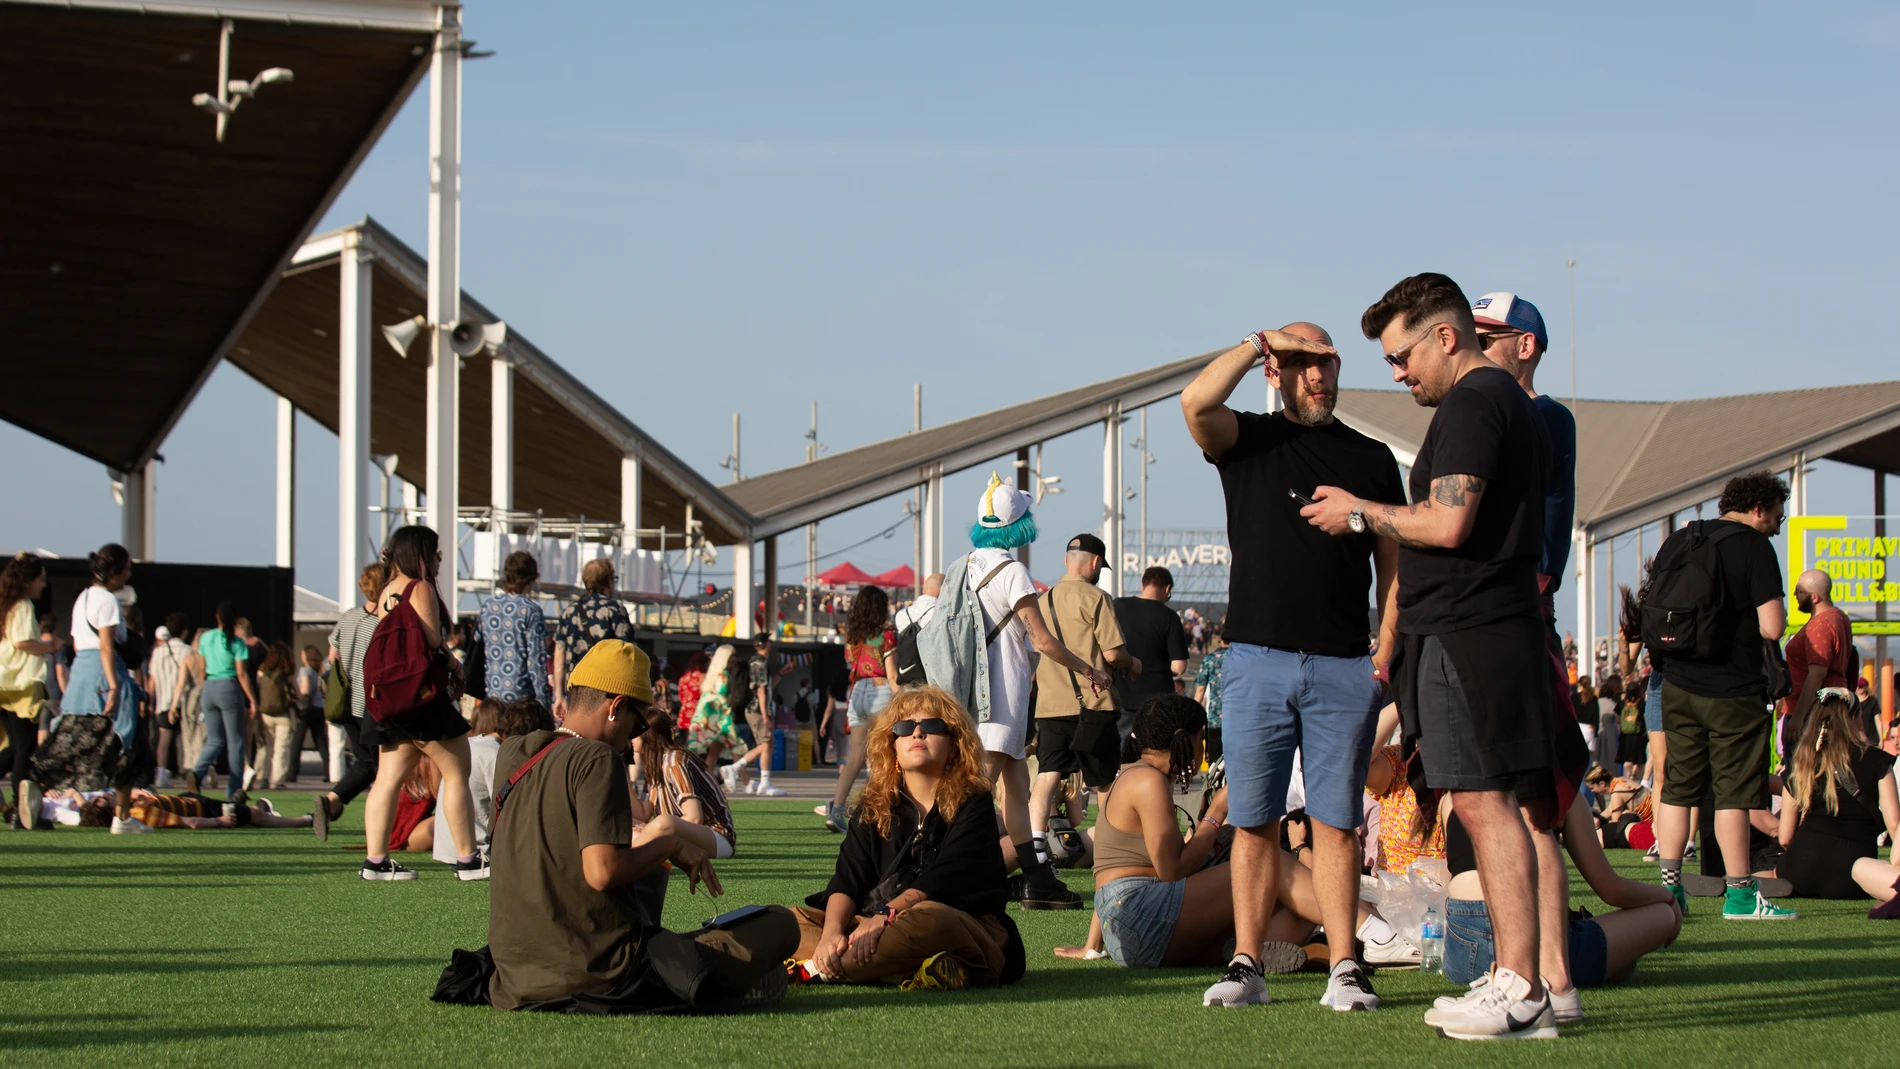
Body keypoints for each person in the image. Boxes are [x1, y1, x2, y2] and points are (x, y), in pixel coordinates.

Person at [1304, 273, 1560, 1038]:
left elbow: (1448, 522)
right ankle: (1518, 980)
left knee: (1486, 803)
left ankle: (1520, 984)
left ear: (1446, 336)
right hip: (1481, 625)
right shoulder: (1497, 402)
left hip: (1472, 627)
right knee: (1486, 804)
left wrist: (1359, 513)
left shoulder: (1477, 401)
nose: (1396, 372)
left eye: (1401, 353)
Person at [1181, 320, 1403, 1012]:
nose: (1320, 376)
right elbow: (1194, 403)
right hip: (1253, 661)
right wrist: (1256, 343)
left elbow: (1393, 555)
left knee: (1338, 822)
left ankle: (1345, 965)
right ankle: (1248, 964)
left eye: (1329, 364)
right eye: (1305, 363)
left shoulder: (1370, 458)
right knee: (1253, 820)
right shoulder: (1247, 440)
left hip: (1343, 664)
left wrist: (1388, 640)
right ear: (1278, 370)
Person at [474, 638, 797, 1013]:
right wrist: (670, 845)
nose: (633, 738)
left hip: (512, 975)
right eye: (636, 724)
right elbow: (602, 872)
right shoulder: (597, 758)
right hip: (599, 973)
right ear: (616, 707)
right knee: (780, 923)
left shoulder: (514, 751)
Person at [1068, 694, 1406, 978]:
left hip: (1125, 926)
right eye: (1203, 738)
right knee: (1269, 862)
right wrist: (1216, 812)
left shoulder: (1126, 777)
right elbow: (1171, 869)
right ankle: (1377, 935)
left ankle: (1251, 952)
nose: (1204, 747)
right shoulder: (1149, 782)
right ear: (1186, 739)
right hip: (1140, 914)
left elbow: (1106, 873)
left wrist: (1092, 944)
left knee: (1293, 909)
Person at [792, 686, 1024, 990]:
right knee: (788, 922)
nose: (917, 734)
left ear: (955, 746)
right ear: (892, 747)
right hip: (873, 925)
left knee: (930, 919)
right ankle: (901, 969)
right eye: (904, 728)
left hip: (961, 923)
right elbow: (848, 878)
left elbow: (947, 875)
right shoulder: (874, 805)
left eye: (931, 726)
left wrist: (885, 916)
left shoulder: (974, 800)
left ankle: (811, 971)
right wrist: (831, 935)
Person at [1646, 472, 1798, 921]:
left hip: (1677, 683)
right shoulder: (1755, 548)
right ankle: (1739, 896)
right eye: (1776, 513)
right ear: (1757, 509)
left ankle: (1671, 892)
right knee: (1733, 793)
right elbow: (1773, 627)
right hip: (1734, 690)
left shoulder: (1682, 539)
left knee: (1677, 787)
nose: (1778, 523)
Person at [958, 474, 1111, 911]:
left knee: (1017, 784)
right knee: (975, 793)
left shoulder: (967, 564)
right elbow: (1041, 641)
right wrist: (1088, 669)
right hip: (1003, 692)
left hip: (974, 690)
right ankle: (938, 870)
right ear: (1018, 525)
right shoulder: (1012, 571)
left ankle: (1037, 876)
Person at [1437, 793, 1682, 995]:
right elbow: (1611, 890)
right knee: (1662, 915)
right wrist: (1668, 898)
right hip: (1537, 951)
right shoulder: (1562, 792)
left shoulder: (1452, 797)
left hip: (1462, 956)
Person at [358, 525, 485, 881]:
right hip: (422, 702)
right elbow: (431, 641)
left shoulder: (387, 591)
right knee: (457, 772)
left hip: (390, 701)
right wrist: (455, 664)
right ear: (421, 554)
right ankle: (468, 859)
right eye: (435, 551)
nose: (439, 558)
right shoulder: (420, 588)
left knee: (387, 780)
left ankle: (376, 862)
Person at [1029, 534, 1136, 872]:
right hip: (1092, 705)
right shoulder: (1097, 598)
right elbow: (1113, 653)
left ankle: (1036, 852)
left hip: (1050, 705)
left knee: (1047, 776)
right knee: (1102, 780)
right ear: (1094, 564)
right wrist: (1133, 664)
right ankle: (1110, 848)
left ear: (1066, 561)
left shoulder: (1040, 602)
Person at [43, 544, 156, 834]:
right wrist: (116, 686)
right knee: (126, 742)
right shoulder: (107, 600)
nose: (129, 573)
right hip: (105, 672)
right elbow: (106, 645)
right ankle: (122, 817)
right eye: (127, 568)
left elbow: (79, 644)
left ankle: (38, 787)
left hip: (82, 670)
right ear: (116, 572)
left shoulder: (82, 598)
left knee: (71, 735)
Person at [1778, 688, 1900, 915]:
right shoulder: (1877, 760)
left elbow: (1785, 837)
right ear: (1854, 718)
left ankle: (1737, 882)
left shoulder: (1802, 761)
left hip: (1803, 868)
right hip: (1853, 874)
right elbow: (1894, 824)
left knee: (1769, 867)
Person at [312, 563, 385, 840]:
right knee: (377, 767)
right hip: (370, 702)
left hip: (344, 701)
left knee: (365, 762)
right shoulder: (383, 621)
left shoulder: (349, 616)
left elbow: (332, 657)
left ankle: (333, 803)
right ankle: (339, 804)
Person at [823, 589, 899, 829]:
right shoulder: (887, 634)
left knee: (855, 758)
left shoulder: (852, 636)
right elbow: (893, 675)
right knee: (881, 757)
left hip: (856, 693)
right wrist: (905, 704)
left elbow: (852, 664)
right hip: (881, 690)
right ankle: (875, 813)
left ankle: (836, 811)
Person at [632, 704, 737, 860]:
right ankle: (633, 854)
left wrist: (651, 829)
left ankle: (625, 858)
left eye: (635, 731)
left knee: (663, 822)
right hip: (683, 836)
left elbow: (694, 818)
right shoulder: (654, 763)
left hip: (716, 837)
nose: (630, 736)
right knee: (626, 828)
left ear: (648, 735)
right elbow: (644, 813)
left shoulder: (674, 761)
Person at [1, 554, 58, 826]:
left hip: (4, 683)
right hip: (20, 685)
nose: (44, 585)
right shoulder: (23, 605)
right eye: (41, 579)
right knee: (25, 748)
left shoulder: (5, 604)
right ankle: (22, 813)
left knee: (13, 747)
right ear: (28, 581)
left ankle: (19, 809)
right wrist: (49, 647)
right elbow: (23, 641)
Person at [186, 602, 258, 802]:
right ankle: (233, 791)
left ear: (217, 617)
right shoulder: (237, 642)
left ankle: (197, 772)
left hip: (209, 687)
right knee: (236, 742)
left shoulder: (206, 638)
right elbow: (242, 674)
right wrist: (252, 699)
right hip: (229, 686)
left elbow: (201, 669)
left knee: (214, 739)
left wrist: (206, 687)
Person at [551, 556, 634, 720]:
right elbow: (629, 654)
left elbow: (559, 655)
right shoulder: (615, 610)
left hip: (576, 690)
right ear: (609, 581)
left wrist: (559, 695)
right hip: (606, 690)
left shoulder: (569, 612)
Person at [1782, 569, 1852, 760]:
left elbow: (1816, 674)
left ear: (1815, 597)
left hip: (1811, 716)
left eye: (1799, 591)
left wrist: (1797, 718)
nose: (1794, 595)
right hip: (1829, 709)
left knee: (1800, 778)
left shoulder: (1820, 625)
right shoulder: (1839, 617)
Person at [1112, 565, 1187, 740]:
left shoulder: (1117, 606)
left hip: (1122, 695)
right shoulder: (1170, 617)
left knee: (1122, 754)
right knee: (1155, 751)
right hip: (1158, 699)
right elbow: (1179, 666)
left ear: (1142, 585)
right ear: (1167, 588)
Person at [435, 698, 504, 867]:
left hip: (445, 849)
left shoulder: (462, 748)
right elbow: (505, 804)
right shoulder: (492, 752)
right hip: (477, 850)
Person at [479, 551, 551, 706]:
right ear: (530, 578)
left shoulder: (488, 607)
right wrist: (544, 702)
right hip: (521, 696)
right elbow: (536, 662)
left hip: (493, 692)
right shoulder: (531, 610)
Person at [729, 633, 788, 797]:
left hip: (756, 709)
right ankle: (737, 768)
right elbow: (761, 691)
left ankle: (764, 782)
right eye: (769, 641)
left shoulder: (756, 662)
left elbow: (766, 687)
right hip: (757, 710)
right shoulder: (759, 663)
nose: (771, 643)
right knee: (766, 744)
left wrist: (781, 673)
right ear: (766, 644)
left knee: (766, 745)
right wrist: (766, 716)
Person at [127, 788, 315, 830]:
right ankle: (306, 820)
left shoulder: (130, 804)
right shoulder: (141, 813)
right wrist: (218, 822)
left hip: (188, 800)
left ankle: (258, 810)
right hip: (202, 811)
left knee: (246, 813)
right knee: (255, 816)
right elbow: (188, 822)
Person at [147, 615, 191, 784]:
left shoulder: (158, 652)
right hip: (183, 702)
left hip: (163, 701)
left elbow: (152, 679)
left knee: (164, 737)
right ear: (184, 631)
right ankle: (187, 772)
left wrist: (149, 701)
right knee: (184, 738)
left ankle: (161, 773)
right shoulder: (187, 651)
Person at [287, 645, 327, 782]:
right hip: (319, 708)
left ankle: (292, 773)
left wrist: (296, 697)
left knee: (297, 741)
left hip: (306, 710)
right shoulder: (319, 671)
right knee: (321, 741)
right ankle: (329, 772)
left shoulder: (305, 671)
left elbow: (305, 690)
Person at [1192, 627, 1227, 763]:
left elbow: (1200, 688)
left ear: (1220, 639)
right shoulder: (1243, 660)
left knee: (1215, 758)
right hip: (1238, 717)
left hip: (1214, 717)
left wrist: (1195, 712)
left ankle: (1216, 783)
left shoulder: (1210, 659)